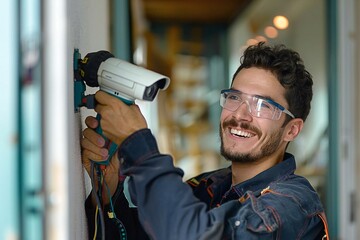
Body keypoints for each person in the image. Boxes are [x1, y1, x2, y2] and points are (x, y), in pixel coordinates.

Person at [81, 42, 329, 239]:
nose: (240, 115)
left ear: (292, 130)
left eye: (262, 105)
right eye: (234, 97)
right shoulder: (209, 186)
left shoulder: (292, 205)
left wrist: (137, 144)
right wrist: (108, 193)